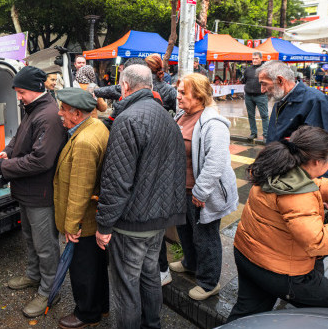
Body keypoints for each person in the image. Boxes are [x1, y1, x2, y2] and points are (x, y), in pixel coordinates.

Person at [227, 126, 328, 321]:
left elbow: (314, 185)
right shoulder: (299, 194)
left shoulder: (278, 165)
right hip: (280, 270)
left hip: (248, 254)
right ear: (317, 161)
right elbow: (317, 240)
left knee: (247, 312)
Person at [95, 65, 186, 329]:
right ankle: (152, 325)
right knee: (149, 277)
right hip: (158, 217)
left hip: (133, 221)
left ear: (124, 86)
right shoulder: (167, 116)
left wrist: (104, 225)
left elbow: (116, 180)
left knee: (126, 288)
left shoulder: (128, 119)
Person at [0, 66, 67, 317]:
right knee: (31, 239)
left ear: (36, 89)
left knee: (45, 245)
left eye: (21, 92)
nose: (18, 97)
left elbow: (40, 160)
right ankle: (34, 277)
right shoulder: (34, 109)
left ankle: (48, 291)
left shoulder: (49, 115)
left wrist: (5, 166)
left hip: (40, 193)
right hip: (27, 190)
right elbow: (21, 137)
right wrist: (7, 153)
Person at [168, 74, 238, 301]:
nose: (177, 96)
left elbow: (216, 161)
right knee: (185, 231)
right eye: (178, 92)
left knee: (205, 237)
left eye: (182, 93)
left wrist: (201, 191)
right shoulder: (182, 115)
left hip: (200, 194)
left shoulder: (212, 123)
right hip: (182, 190)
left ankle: (209, 283)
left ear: (198, 95)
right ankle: (190, 263)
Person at [53, 88, 110, 329]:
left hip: (83, 221)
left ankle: (87, 314)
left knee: (83, 269)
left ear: (77, 113)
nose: (59, 113)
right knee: (97, 267)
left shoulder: (85, 141)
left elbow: (79, 189)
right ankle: (101, 307)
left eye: (63, 110)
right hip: (91, 218)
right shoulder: (95, 126)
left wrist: (71, 226)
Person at [259, 60, 328, 179]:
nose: (262, 90)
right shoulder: (281, 99)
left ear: (280, 80)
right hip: (283, 174)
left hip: (303, 180)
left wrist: (323, 186)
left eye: (264, 84)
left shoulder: (318, 102)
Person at [242, 52, 269, 141]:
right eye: (253, 58)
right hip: (249, 96)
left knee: (264, 115)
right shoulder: (248, 69)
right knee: (250, 115)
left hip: (261, 96)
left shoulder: (265, 69)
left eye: (256, 58)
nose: (254, 60)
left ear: (261, 59)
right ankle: (253, 133)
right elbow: (245, 80)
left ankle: (266, 134)